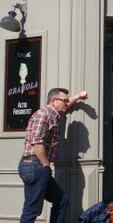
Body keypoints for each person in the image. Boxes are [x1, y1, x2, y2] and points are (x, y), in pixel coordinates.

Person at [18, 88, 88, 223]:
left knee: (61, 200)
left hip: (37, 166)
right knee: (31, 210)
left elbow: (66, 105)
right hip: (35, 165)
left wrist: (78, 96)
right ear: (53, 101)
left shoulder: (53, 114)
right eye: (65, 100)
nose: (67, 103)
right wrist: (45, 164)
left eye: (68, 100)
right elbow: (37, 142)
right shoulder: (43, 114)